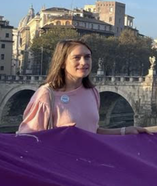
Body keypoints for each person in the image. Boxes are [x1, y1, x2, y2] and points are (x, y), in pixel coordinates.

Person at [18, 40, 148, 135]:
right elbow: (27, 137)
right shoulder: (46, 94)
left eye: (87, 57)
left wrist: (124, 131)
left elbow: (93, 131)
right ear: (62, 63)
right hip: (59, 166)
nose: (84, 62)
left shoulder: (93, 92)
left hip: (87, 163)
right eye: (76, 58)